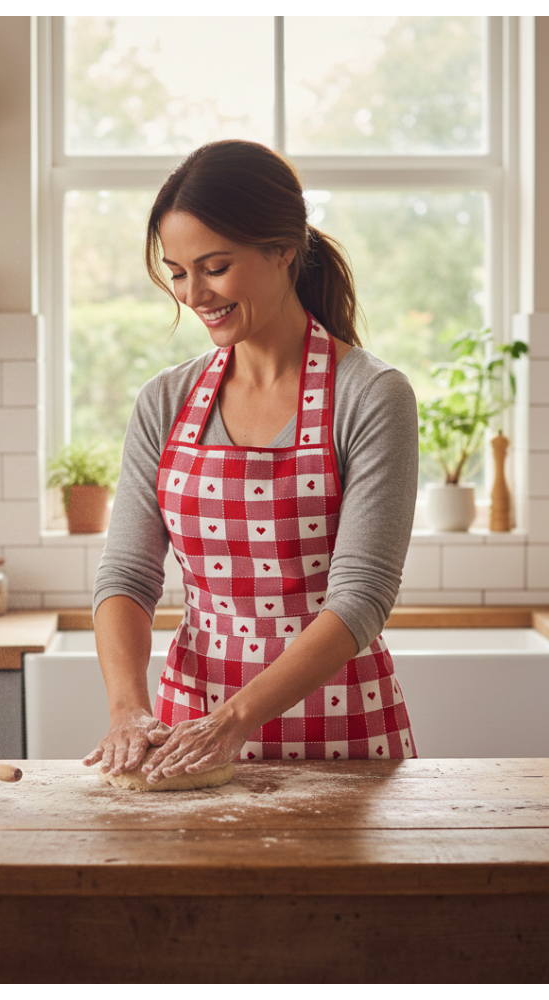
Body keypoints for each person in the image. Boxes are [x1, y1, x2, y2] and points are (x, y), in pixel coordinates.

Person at [84, 139, 418, 785]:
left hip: (339, 726)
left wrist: (233, 721)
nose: (193, 293)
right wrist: (128, 707)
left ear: (282, 249)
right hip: (190, 727)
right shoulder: (167, 399)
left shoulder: (370, 394)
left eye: (213, 266)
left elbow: (362, 596)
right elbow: (127, 572)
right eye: (177, 271)